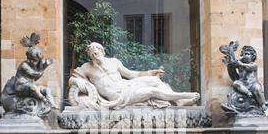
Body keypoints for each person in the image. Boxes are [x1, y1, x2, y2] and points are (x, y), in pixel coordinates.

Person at [69, 42, 200, 109]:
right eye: (91, 53)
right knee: (151, 91)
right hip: (118, 96)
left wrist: (150, 72)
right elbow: (72, 78)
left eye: (95, 51)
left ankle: (179, 101)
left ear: (102, 51)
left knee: (154, 80)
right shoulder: (87, 68)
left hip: (127, 85)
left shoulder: (114, 62)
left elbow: (131, 74)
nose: (93, 54)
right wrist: (77, 82)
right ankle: (183, 95)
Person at [230, 46, 266, 111]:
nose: (245, 56)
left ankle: (262, 104)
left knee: (257, 89)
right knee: (236, 83)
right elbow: (233, 69)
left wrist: (239, 63)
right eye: (243, 54)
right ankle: (247, 92)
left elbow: (247, 67)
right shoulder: (240, 65)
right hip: (243, 84)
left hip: (253, 84)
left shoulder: (253, 65)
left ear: (252, 56)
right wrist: (232, 63)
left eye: (247, 54)